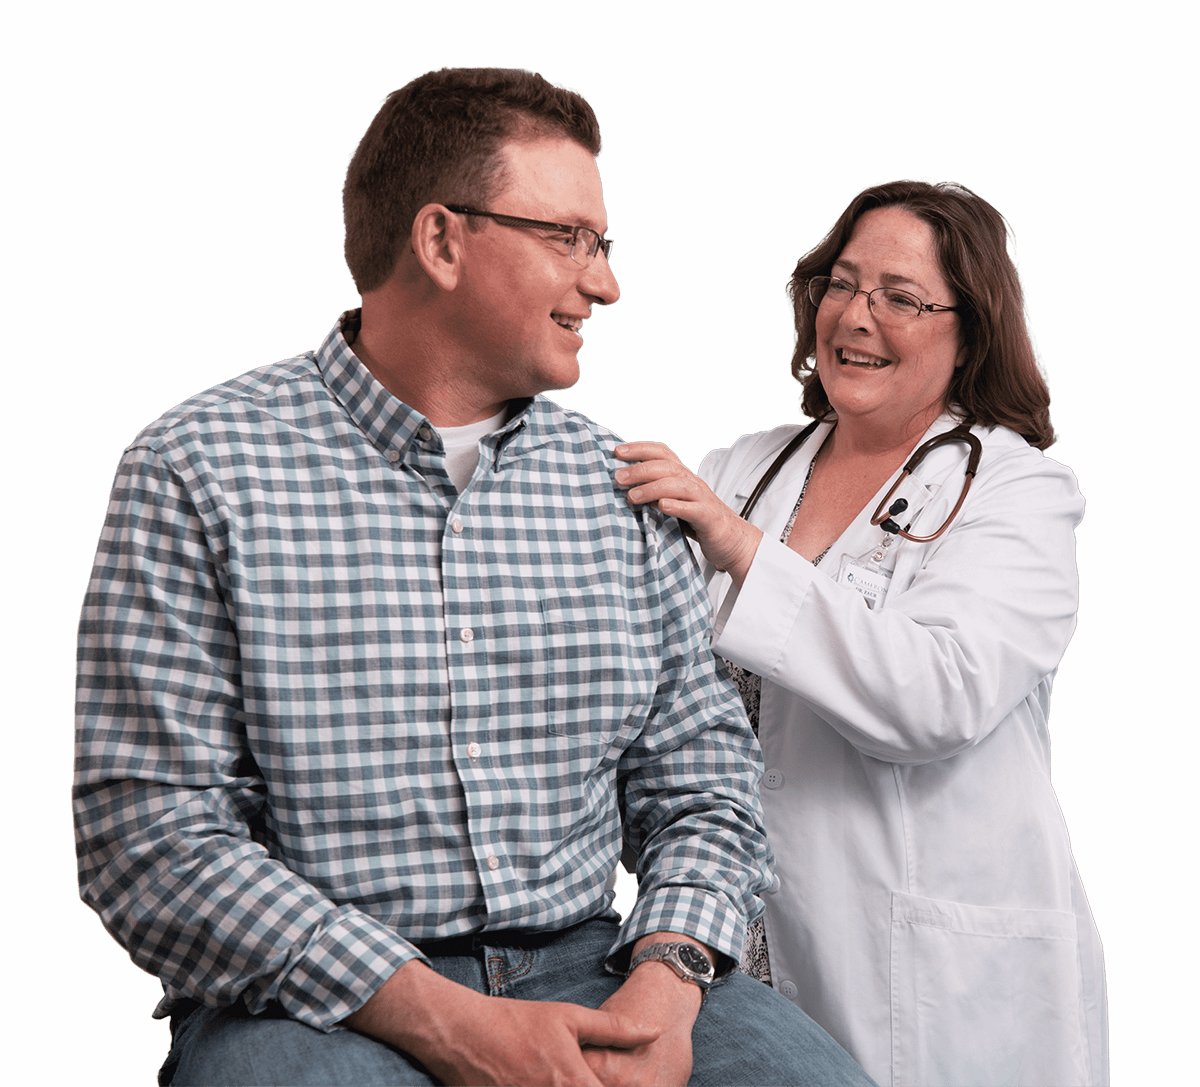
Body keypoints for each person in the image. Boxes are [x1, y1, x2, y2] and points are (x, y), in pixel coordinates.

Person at [72, 67, 876, 1087]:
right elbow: (150, 834)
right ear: (442, 240)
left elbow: (703, 782)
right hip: (319, 1000)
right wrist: (436, 1015)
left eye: (606, 244)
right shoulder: (195, 472)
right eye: (570, 239)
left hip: (604, 962)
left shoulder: (617, 486)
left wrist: (667, 979)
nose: (605, 283)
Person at [615, 178, 1109, 1086]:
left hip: (929, 970)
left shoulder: (1018, 492)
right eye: (840, 285)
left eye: (902, 298)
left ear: (971, 328)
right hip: (735, 929)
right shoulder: (743, 466)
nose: (856, 316)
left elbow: (939, 695)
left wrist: (742, 550)